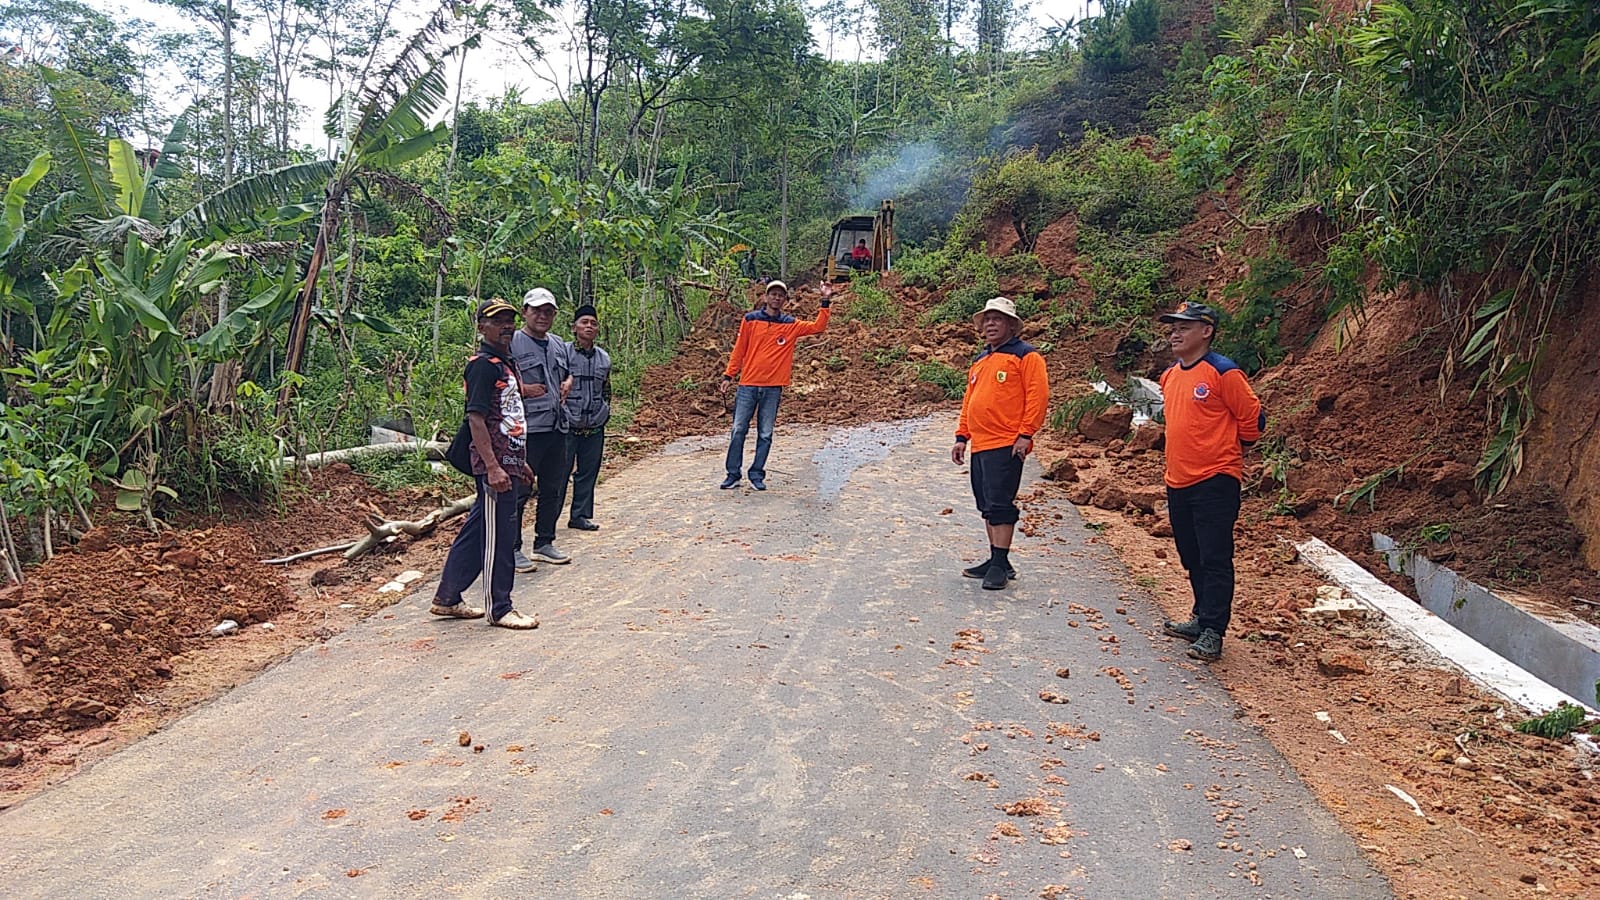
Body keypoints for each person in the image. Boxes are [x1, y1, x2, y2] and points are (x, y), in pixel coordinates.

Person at [1156, 301, 1264, 662]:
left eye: (1184, 327)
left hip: (1215, 479)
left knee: (1215, 556)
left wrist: (1234, 449)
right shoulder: (1170, 376)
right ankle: (1201, 616)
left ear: (1206, 331)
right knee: (1191, 553)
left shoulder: (1223, 372)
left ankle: (1214, 630)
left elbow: (1253, 419)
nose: (1175, 333)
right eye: (1173, 326)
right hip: (1178, 479)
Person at [429, 299, 539, 630]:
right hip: (495, 467)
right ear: (481, 327)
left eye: (510, 320)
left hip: (509, 461)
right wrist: (493, 466)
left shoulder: (505, 362)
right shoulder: (482, 366)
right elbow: (476, 419)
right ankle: (500, 607)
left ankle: (447, 598)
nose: (506, 325)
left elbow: (508, 418)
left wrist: (521, 462)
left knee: (478, 530)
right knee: (500, 536)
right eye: (497, 320)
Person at [951, 297, 1049, 591]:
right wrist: (961, 436)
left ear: (1011, 325)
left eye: (998, 319)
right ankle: (998, 559)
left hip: (1006, 444)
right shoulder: (981, 361)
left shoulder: (1026, 357)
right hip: (980, 444)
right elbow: (969, 401)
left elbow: (1037, 397)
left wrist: (1026, 433)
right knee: (986, 504)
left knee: (1000, 504)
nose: (991, 324)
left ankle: (999, 563)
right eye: (987, 319)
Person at [719, 279, 832, 491]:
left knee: (765, 433)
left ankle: (756, 474)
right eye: (773, 294)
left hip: (773, 388)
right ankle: (733, 474)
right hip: (748, 386)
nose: (776, 298)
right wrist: (728, 376)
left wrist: (825, 300)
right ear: (766, 296)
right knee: (738, 429)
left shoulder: (790, 325)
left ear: (785, 300)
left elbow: (818, 327)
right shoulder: (750, 320)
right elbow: (739, 350)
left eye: (781, 295)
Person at [511, 287, 573, 569]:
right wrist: (522, 389)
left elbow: (567, 371)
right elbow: (496, 379)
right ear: (525, 312)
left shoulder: (559, 344)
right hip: (527, 429)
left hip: (557, 425)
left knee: (554, 486)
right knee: (520, 490)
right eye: (536, 311)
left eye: (548, 312)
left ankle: (544, 542)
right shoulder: (511, 342)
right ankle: (511, 548)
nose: (542, 316)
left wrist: (569, 381)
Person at [561, 303, 611, 531]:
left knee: (588, 473)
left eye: (593, 323)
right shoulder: (563, 353)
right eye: (584, 322)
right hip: (567, 426)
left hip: (594, 426)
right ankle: (548, 521)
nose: (589, 327)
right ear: (574, 327)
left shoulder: (603, 358)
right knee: (559, 475)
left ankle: (580, 515)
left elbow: (606, 389)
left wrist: (605, 413)